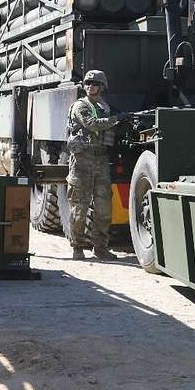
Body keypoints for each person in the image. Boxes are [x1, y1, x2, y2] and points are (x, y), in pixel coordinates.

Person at [66, 70, 128, 261]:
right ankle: (77, 248)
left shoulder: (105, 106)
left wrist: (123, 120)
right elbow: (92, 124)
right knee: (79, 207)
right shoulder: (80, 106)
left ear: (102, 87)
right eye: (88, 83)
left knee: (104, 207)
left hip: (100, 160)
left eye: (95, 83)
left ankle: (100, 247)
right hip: (82, 161)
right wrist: (117, 119)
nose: (90, 86)